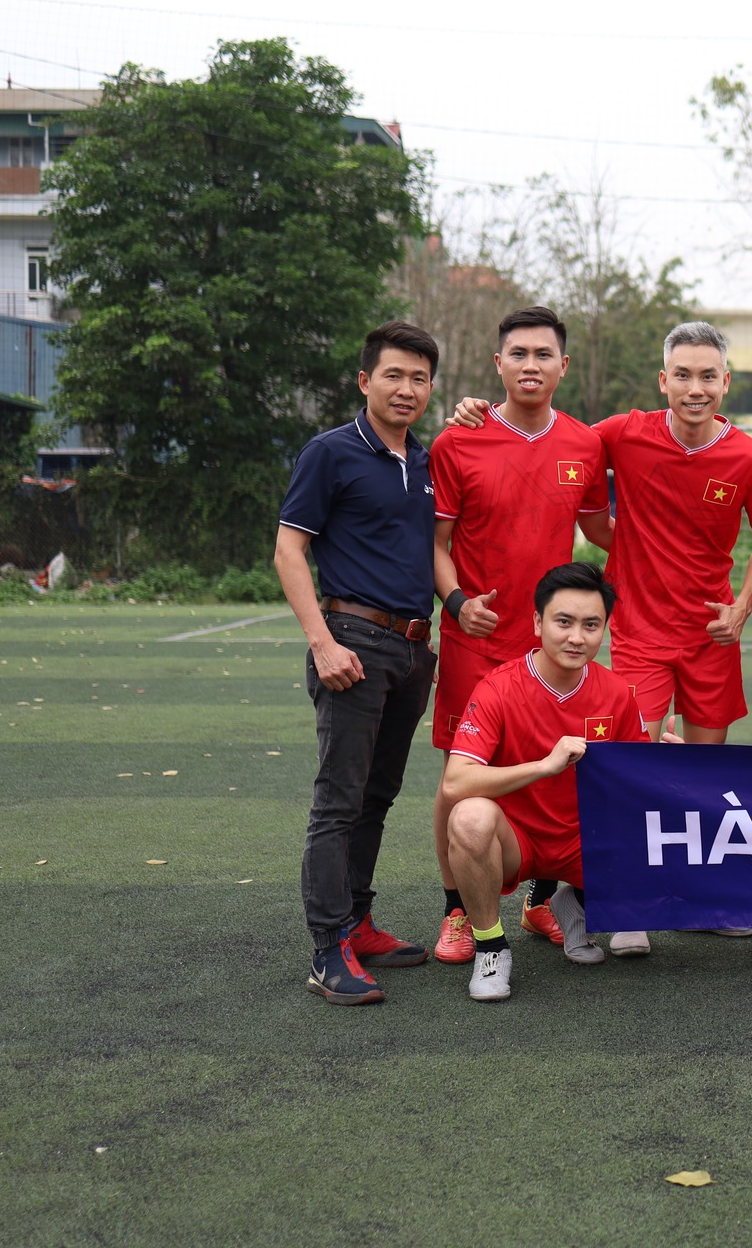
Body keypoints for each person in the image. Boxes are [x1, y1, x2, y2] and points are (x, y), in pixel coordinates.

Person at [451, 321, 752, 959]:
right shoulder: (621, 433)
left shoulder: (748, 457)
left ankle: (701, 900)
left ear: (725, 383)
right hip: (639, 631)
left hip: (709, 636)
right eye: (682, 375)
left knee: (702, 778)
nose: (694, 387)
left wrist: (741, 606)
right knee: (628, 771)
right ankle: (623, 901)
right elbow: (547, 429)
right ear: (663, 381)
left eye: (707, 376)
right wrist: (481, 409)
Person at [427, 306, 614, 968]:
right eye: (519, 354)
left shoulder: (585, 444)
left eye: (543, 354)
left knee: (559, 767)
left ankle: (541, 899)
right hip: (476, 640)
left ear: (564, 365)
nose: (531, 365)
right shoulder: (458, 441)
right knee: (459, 781)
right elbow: (437, 543)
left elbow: (603, 529)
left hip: (555, 643)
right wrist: (456, 603)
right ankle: (457, 910)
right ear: (498, 364)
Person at [274, 321, 442, 1005]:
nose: (407, 389)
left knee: (378, 795)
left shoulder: (424, 460)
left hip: (413, 649)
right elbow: (288, 550)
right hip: (352, 640)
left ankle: (358, 922)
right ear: (365, 380)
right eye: (394, 375)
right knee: (339, 800)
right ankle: (327, 948)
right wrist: (322, 642)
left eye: (420, 378)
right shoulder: (331, 452)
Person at [441, 563, 652, 1001]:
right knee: (469, 817)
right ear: (538, 623)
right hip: (516, 841)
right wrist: (543, 766)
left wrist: (673, 763)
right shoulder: (498, 687)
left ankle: (574, 903)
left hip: (583, 841)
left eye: (591, 625)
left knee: (656, 828)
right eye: (564, 622)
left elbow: (642, 782)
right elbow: (455, 783)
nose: (577, 637)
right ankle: (491, 948)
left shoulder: (616, 693)